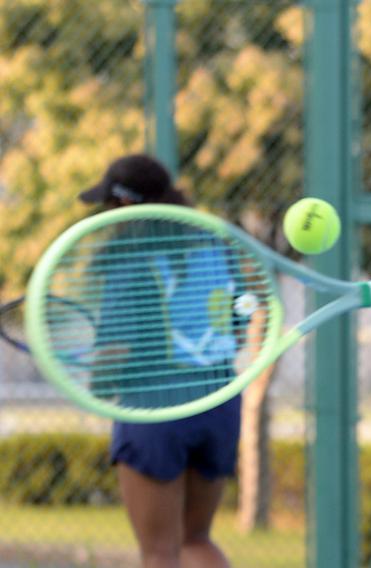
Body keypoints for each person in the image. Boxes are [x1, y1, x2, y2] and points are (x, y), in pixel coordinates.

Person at [80, 154, 238, 568]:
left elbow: (117, 350)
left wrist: (95, 385)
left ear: (126, 206)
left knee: (159, 552)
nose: (105, 216)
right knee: (195, 539)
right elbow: (235, 326)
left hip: (156, 408)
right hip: (219, 402)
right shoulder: (214, 247)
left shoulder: (130, 258)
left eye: (109, 206)